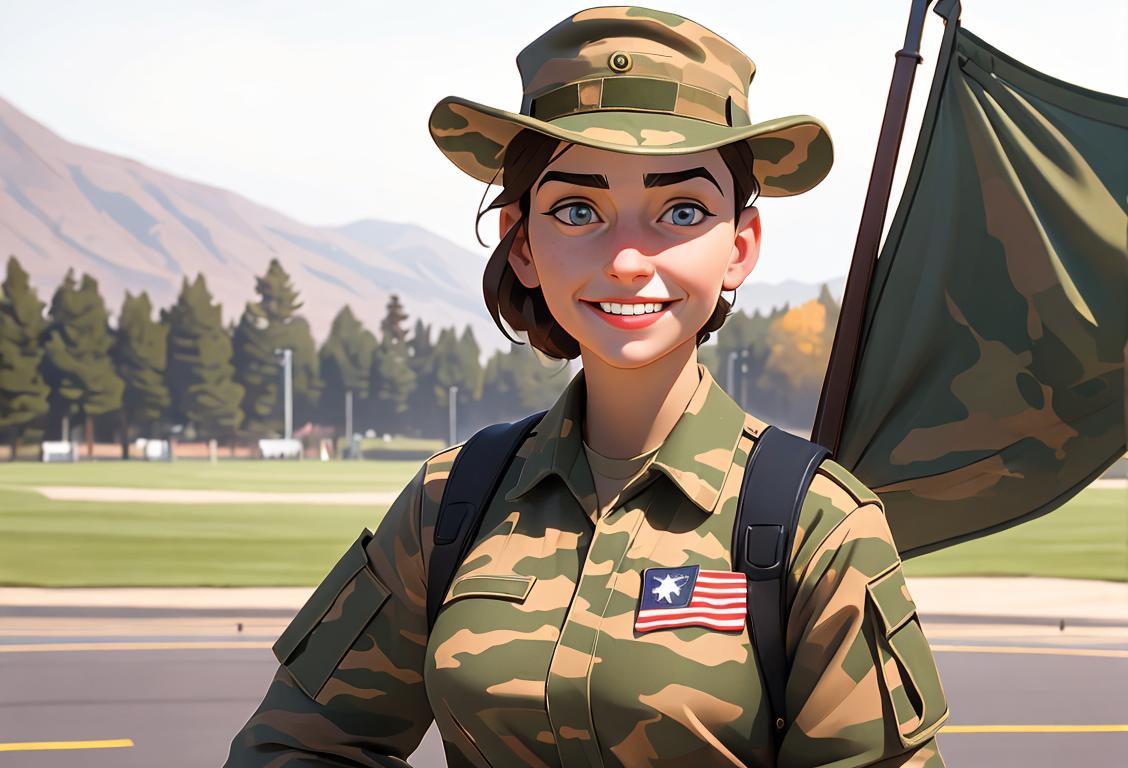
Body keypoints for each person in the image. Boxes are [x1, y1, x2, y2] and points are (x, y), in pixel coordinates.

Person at [225, 6, 949, 767]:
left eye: (681, 211)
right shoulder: (453, 505)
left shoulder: (815, 527)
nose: (629, 259)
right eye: (578, 209)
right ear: (523, 240)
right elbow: (297, 746)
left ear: (739, 247)